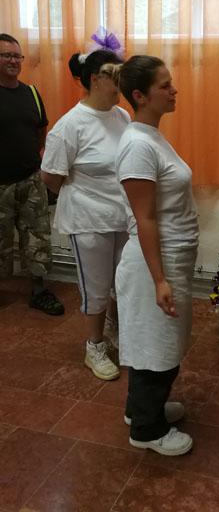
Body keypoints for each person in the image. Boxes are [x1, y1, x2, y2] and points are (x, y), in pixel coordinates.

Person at [115, 55, 199, 456]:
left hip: (169, 258)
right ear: (140, 95)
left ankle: (141, 410)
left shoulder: (150, 136)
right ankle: (147, 431)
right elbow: (144, 218)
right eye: (164, 85)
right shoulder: (137, 146)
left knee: (158, 340)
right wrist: (160, 279)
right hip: (154, 263)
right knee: (156, 344)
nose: (173, 89)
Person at [41, 48, 129, 381]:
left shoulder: (122, 117)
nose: (121, 83)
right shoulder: (70, 125)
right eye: (115, 76)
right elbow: (51, 176)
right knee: (96, 287)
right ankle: (95, 346)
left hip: (122, 215)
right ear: (95, 79)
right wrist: (86, 194)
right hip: (88, 219)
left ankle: (115, 330)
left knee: (122, 281)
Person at [0, 33, 64, 315]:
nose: (13, 61)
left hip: (30, 179)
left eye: (17, 56)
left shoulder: (32, 94)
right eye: (6, 55)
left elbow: (41, 130)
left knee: (38, 237)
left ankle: (39, 291)